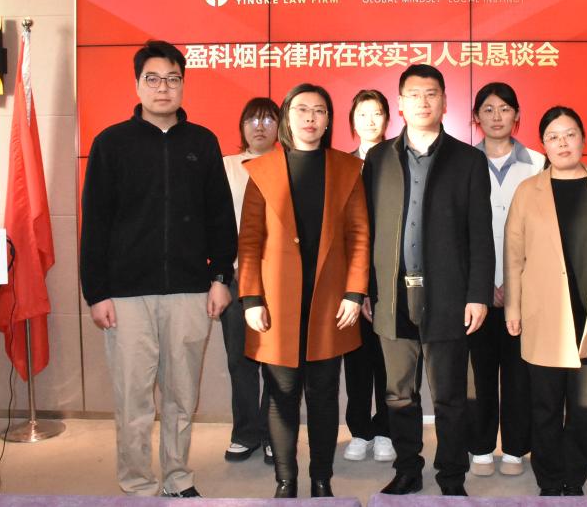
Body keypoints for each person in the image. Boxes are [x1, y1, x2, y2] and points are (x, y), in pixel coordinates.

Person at [80, 41, 238, 498]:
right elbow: (95, 223)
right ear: (137, 85)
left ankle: (177, 477)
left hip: (189, 291)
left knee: (181, 396)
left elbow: (219, 217)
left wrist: (220, 277)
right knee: (133, 399)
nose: (163, 87)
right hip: (126, 295)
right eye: (153, 78)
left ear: (183, 84)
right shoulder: (111, 144)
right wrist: (97, 293)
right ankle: (137, 484)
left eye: (172, 79)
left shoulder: (202, 143)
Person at [363, 64, 494, 497]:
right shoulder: (378, 159)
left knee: (450, 396)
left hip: (450, 295)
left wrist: (478, 294)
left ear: (444, 102)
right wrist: (365, 289)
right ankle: (407, 470)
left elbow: (481, 233)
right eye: (414, 94)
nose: (423, 101)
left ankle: (451, 476)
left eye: (431, 93)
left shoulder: (468, 160)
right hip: (392, 294)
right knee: (398, 394)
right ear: (399, 103)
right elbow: (366, 231)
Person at [238, 83, 370, 499]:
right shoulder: (262, 170)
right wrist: (251, 298)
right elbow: (249, 240)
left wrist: (354, 292)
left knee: (324, 395)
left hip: (331, 302)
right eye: (301, 109)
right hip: (276, 302)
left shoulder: (347, 169)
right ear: (287, 117)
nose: (310, 117)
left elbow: (359, 236)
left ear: (329, 120)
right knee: (282, 395)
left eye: (319, 110)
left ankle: (321, 479)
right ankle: (285, 480)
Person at [504, 106, 587, 496]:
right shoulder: (528, 191)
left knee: (585, 407)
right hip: (544, 314)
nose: (563, 143)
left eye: (570, 134)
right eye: (554, 137)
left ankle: (574, 478)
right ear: (543, 144)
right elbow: (513, 255)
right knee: (544, 406)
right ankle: (548, 479)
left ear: (584, 139)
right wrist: (512, 307)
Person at [466, 82, 545, 478]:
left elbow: (544, 233)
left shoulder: (539, 163)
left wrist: (513, 287)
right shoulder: (462, 161)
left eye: (505, 109)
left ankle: (515, 448)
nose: (496, 116)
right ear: (475, 117)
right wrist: (484, 285)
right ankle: (480, 446)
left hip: (525, 291)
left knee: (519, 375)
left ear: (517, 115)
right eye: (488, 109)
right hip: (475, 292)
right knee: (478, 374)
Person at [221, 97, 279, 465]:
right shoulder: (225, 166)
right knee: (240, 360)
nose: (259, 126)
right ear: (242, 126)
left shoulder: (289, 164)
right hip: (236, 277)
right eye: (252, 119)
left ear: (279, 127)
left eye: (268, 119)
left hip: (278, 280)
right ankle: (245, 432)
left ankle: (274, 434)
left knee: (276, 362)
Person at [342, 89, 396, 463]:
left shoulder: (399, 161)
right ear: (352, 121)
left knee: (389, 360)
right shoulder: (341, 165)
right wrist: (355, 288)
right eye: (362, 114)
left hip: (389, 278)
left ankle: (386, 430)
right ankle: (360, 431)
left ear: (387, 119)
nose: (370, 120)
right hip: (349, 280)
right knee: (357, 359)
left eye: (376, 113)